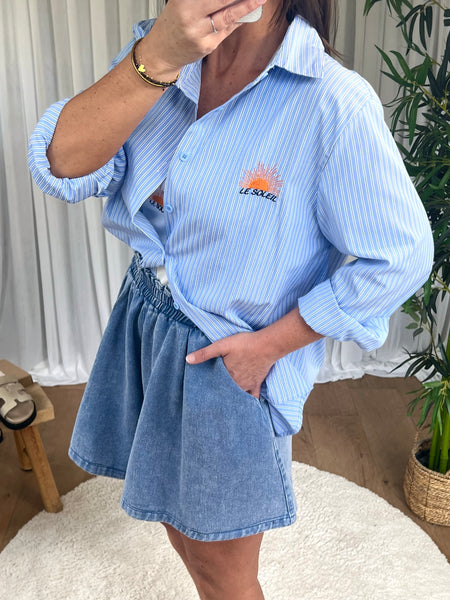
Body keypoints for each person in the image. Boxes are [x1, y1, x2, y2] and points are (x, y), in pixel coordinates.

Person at [28, 0, 433, 598]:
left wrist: (269, 347)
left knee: (223, 572)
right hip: (145, 323)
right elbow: (61, 166)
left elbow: (400, 258)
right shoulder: (158, 58)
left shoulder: (332, 103)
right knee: (178, 525)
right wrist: (156, 57)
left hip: (229, 363)